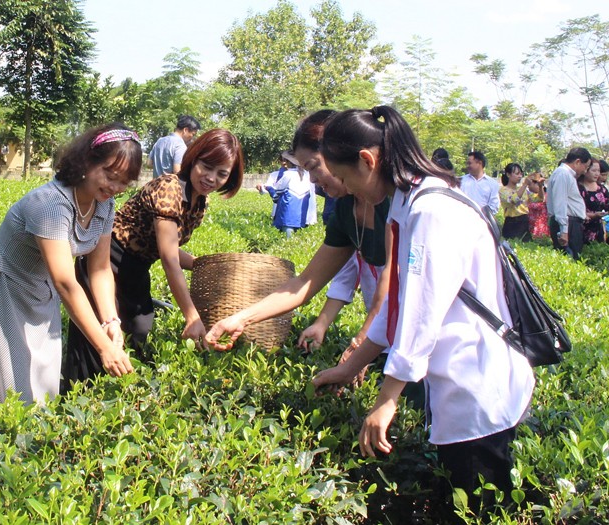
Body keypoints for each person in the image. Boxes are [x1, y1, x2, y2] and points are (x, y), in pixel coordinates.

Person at [313, 106, 535, 515]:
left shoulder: (431, 210)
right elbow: (397, 304)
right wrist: (350, 366)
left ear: (368, 160)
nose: (345, 190)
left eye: (344, 178)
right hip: (460, 385)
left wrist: (387, 399)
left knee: (480, 509)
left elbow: (419, 312)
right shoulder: (409, 202)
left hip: (477, 390)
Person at [0, 124, 141, 417]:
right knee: (9, 386)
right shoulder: (52, 204)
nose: (114, 187)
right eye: (109, 174)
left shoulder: (105, 206)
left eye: (124, 183)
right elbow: (66, 282)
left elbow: (101, 269)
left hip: (40, 290)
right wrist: (104, 347)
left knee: (42, 376)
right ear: (87, 162)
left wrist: (111, 320)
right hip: (2, 286)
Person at [205, 110, 391, 391]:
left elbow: (393, 282)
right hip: (391, 330)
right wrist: (240, 318)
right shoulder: (345, 210)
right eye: (305, 170)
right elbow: (303, 284)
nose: (313, 180)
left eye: (315, 166)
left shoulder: (393, 201)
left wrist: (361, 342)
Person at [63, 129, 244, 384]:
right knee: (95, 337)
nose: (211, 178)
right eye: (207, 167)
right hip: (107, 258)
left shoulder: (199, 201)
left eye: (222, 174)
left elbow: (166, 248)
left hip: (136, 267)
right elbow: (169, 259)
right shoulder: (170, 188)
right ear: (194, 158)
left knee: (138, 329)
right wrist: (191, 317)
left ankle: (119, 393)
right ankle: (77, 395)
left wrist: (202, 265)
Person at [547, 148, 591, 260]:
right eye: (585, 167)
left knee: (574, 258)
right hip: (568, 223)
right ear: (577, 162)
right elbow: (560, 204)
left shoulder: (566, 174)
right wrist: (564, 231)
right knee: (570, 260)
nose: (585, 171)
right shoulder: (562, 174)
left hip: (571, 223)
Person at [265, 151, 317, 237]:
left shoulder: (288, 174)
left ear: (290, 162)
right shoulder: (306, 174)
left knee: (287, 235)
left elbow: (278, 189)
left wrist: (269, 188)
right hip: (301, 210)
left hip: (288, 210)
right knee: (298, 236)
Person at [499, 163, 533, 241]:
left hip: (524, 221)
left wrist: (540, 186)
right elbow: (514, 200)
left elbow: (538, 199)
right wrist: (524, 185)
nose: (520, 176)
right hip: (512, 223)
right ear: (508, 174)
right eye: (517, 173)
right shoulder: (503, 190)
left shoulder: (523, 190)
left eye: (521, 174)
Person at [578, 159, 609, 243]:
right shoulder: (578, 188)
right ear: (586, 170)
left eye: (598, 171)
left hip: (598, 230)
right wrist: (593, 215)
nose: (597, 174)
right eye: (594, 170)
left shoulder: (602, 189)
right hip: (581, 229)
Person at [460, 151, 500, 215]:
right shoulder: (461, 181)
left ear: (479, 163)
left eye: (469, 163)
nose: (467, 166)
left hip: (483, 221)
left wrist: (483, 216)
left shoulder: (492, 184)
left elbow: (494, 206)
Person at [257, 154, 289, 219]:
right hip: (276, 211)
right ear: (279, 162)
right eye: (283, 160)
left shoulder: (298, 174)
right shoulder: (274, 175)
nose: (285, 163)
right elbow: (267, 187)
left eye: (287, 160)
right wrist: (261, 188)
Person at [526, 172, 549, 239]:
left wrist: (540, 186)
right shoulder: (529, 195)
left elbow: (541, 199)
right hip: (531, 229)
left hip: (542, 229)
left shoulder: (546, 195)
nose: (528, 186)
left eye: (530, 184)